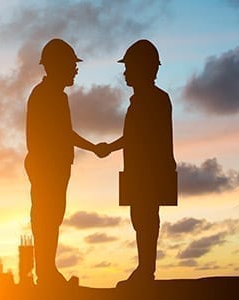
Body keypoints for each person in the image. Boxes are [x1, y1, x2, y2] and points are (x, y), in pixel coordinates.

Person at [97, 39, 177, 287]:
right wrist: (111, 147)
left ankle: (145, 272)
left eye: (129, 67)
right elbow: (134, 137)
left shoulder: (154, 99)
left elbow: (143, 137)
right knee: (140, 219)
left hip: (148, 172)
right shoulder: (144, 99)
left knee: (146, 219)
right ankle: (144, 270)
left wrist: (109, 147)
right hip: (138, 171)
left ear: (145, 68)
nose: (125, 72)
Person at [25, 38, 102, 287]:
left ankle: (48, 271)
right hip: (47, 167)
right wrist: (94, 148)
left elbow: (63, 133)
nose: (75, 70)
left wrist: (92, 148)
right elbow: (62, 134)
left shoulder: (55, 96)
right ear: (57, 66)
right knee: (46, 217)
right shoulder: (47, 95)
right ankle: (46, 274)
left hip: (55, 166)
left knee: (52, 217)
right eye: (71, 65)